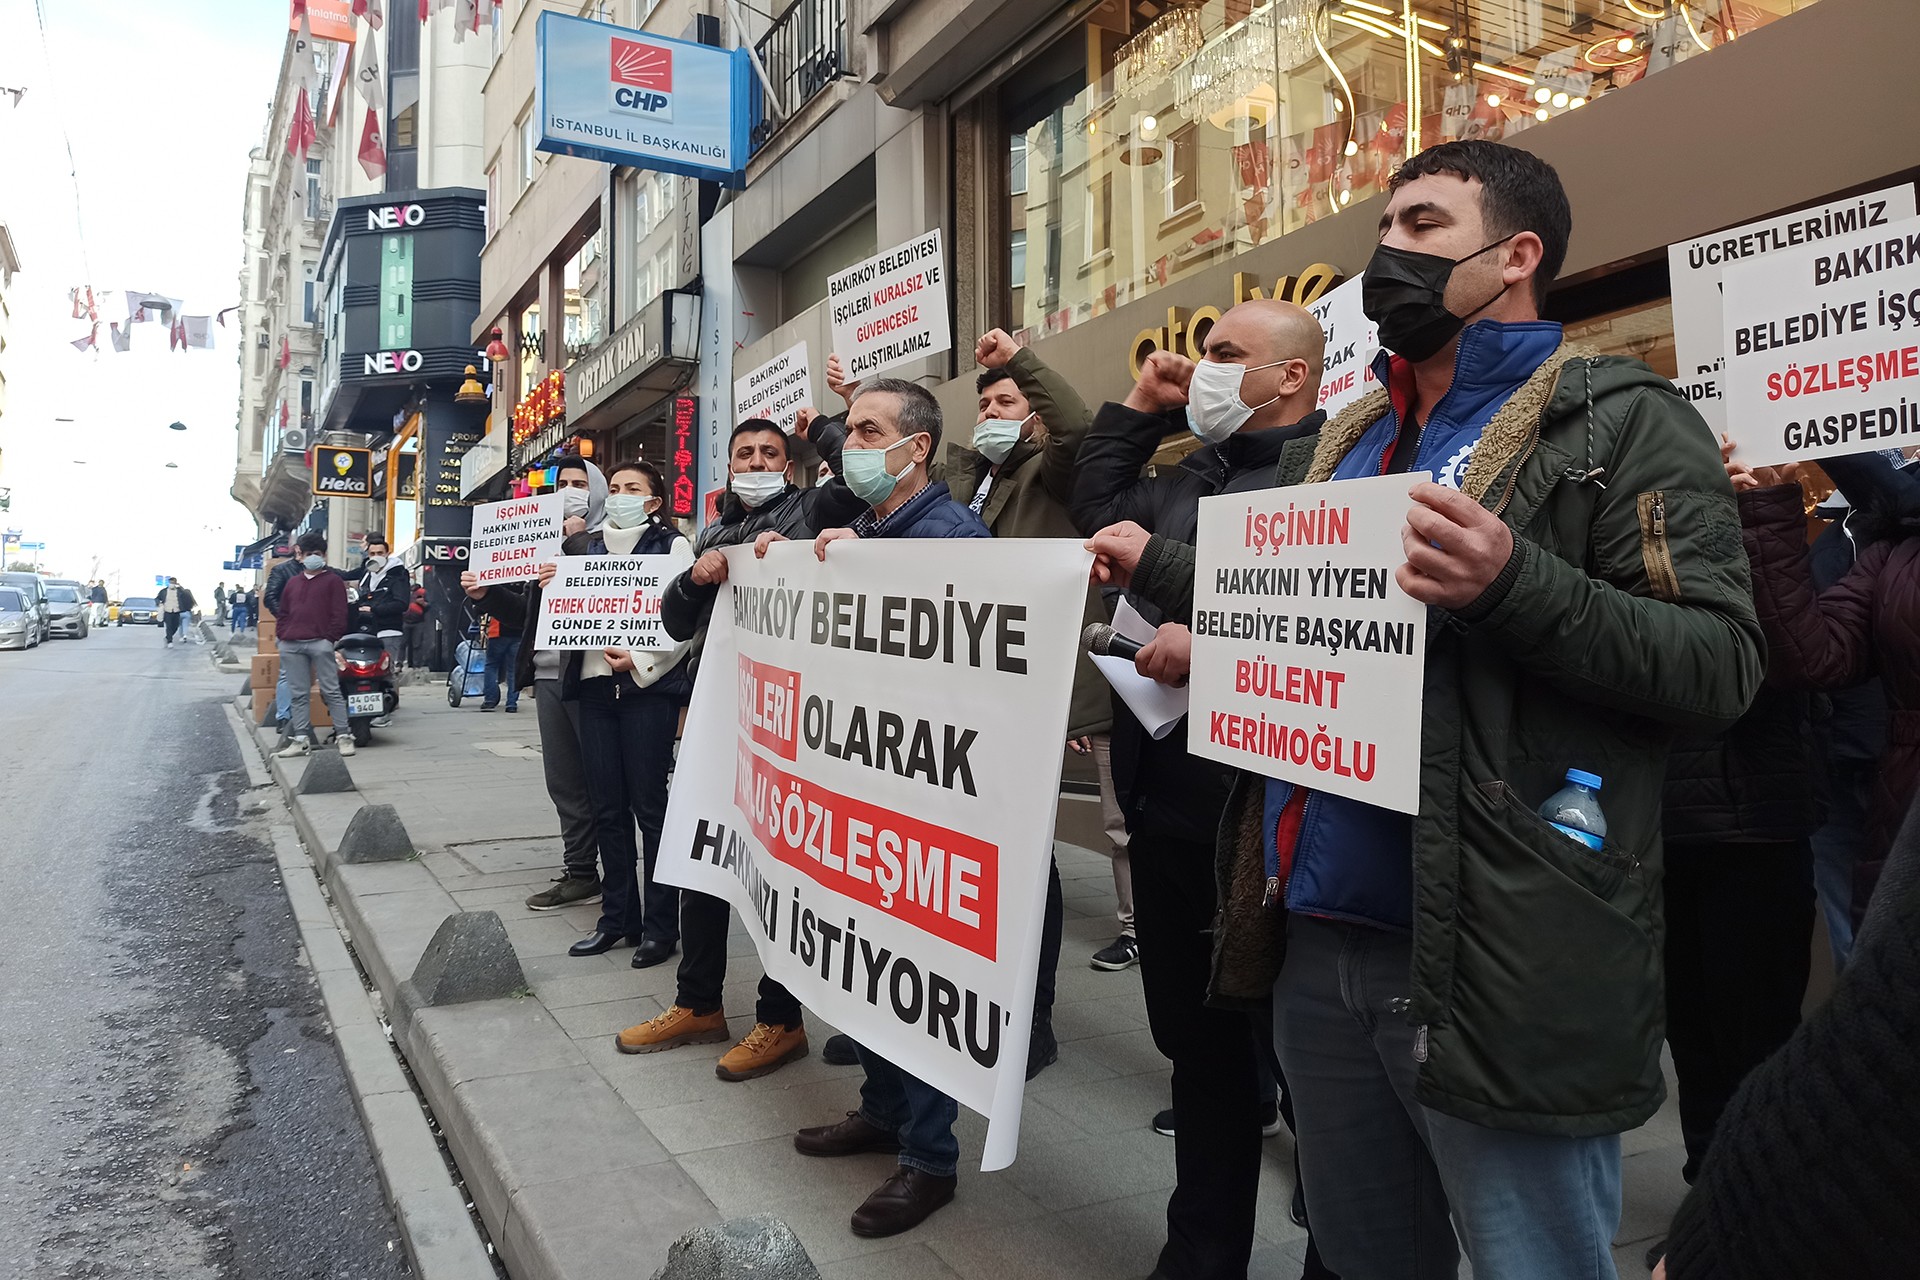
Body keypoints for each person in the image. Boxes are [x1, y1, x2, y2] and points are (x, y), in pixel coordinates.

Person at [1090, 140, 1764, 1280]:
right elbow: (1291, 604)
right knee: (1362, 1256)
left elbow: (1720, 662)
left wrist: (1515, 584)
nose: (1384, 252)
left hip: (1497, 951)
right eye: (1384, 225)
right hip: (1314, 934)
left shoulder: (1621, 423)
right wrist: (1158, 563)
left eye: (1419, 223)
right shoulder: (1349, 437)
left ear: (1516, 255)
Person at [1070, 296, 1328, 1280]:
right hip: (1170, 812)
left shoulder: (1329, 474)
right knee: (1202, 1054)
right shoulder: (1188, 474)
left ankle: (1337, 1244)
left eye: (1226, 354)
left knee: (1311, 1071)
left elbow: (1324, 626)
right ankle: (1201, 1252)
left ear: (1291, 375)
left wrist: (1213, 649)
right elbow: (1098, 512)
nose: (1203, 366)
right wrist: (1138, 405)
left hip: (1264, 823)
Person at [781, 378, 988, 1240]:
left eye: (868, 429)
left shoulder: (955, 538)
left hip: (923, 796)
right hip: (859, 785)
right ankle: (880, 1108)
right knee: (861, 958)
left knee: (917, 971)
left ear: (918, 448)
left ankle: (930, 1158)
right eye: (849, 427)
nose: (849, 442)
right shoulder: (864, 533)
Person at [617, 417, 861, 1080]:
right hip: (720, 718)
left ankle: (780, 1021)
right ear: (728, 465)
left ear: (790, 463)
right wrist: (696, 578)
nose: (756, 461)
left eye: (770, 453)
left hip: (789, 728)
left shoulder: (814, 507)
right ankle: (697, 1003)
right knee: (707, 854)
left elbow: (868, 487)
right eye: (745, 453)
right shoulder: (714, 530)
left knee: (776, 870)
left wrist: (827, 429)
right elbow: (674, 622)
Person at [1648, 790, 1920, 1280]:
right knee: (1695, 1035)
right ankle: (1709, 1200)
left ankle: (1727, 1217)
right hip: (1677, 826)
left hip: (1761, 823)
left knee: (1755, 1037)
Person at [1731, 447, 1920, 928]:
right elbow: (1812, 656)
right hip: (1881, 786)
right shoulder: (1893, 545)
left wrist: (1836, 435)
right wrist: (1769, 511)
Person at [543, 459, 693, 964]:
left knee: (650, 810)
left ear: (653, 501)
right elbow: (564, 615)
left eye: (635, 488)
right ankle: (616, 919)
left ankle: (659, 927)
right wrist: (553, 588)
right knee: (607, 809)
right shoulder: (583, 548)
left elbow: (684, 622)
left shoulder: (672, 546)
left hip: (646, 694)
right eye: (618, 486)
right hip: (593, 693)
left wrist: (642, 660)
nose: (623, 494)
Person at [465, 456, 610, 912]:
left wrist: (578, 544)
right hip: (548, 675)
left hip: (594, 677)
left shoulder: (614, 540)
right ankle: (581, 871)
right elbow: (524, 615)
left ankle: (622, 875)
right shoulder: (540, 545)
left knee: (603, 781)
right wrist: (486, 595)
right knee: (564, 781)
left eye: (581, 484)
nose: (571, 490)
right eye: (563, 484)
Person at [1805, 486, 1889, 969]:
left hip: (1857, 750)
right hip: (1848, 753)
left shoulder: (1840, 545)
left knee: (1856, 938)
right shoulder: (1836, 544)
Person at [272, 532, 355, 758]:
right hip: (291, 643)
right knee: (298, 693)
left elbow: (340, 613)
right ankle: (300, 739)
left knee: (331, 691)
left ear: (324, 555)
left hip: (320, 642)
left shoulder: (334, 581)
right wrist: (282, 635)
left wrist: (328, 639)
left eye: (317, 554)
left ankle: (344, 736)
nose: (312, 558)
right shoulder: (292, 582)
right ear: (301, 555)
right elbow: (284, 611)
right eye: (309, 554)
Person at [357, 537, 410, 726]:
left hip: (389, 629)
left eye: (380, 553)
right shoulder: (367, 574)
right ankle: (372, 706)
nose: (376, 557)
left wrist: (374, 609)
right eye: (372, 553)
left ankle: (387, 709)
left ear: (387, 554)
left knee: (385, 671)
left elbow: (401, 603)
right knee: (368, 671)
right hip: (368, 629)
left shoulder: (398, 575)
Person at [158, 576, 196, 645]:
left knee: (175, 626)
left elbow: (186, 595)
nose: (171, 584)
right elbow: (157, 598)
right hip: (167, 611)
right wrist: (159, 603)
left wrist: (180, 586)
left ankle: (168, 637)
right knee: (169, 626)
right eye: (170, 582)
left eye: (173, 583)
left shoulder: (179, 591)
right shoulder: (163, 591)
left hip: (176, 611)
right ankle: (170, 641)